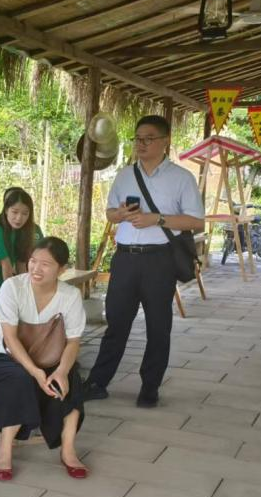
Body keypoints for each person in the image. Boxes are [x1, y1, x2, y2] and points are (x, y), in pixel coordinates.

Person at [84, 114, 204, 407]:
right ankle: (98, 382)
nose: (141, 144)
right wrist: (119, 214)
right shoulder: (125, 175)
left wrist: (157, 219)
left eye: (149, 138)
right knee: (116, 323)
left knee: (158, 326)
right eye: (138, 138)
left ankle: (150, 387)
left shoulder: (181, 178)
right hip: (125, 258)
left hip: (159, 260)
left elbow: (196, 221)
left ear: (165, 141)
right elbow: (110, 213)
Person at [0, 237, 87, 480]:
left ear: (61, 269)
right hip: (6, 357)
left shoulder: (70, 295)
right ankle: (4, 452)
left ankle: (68, 450)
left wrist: (61, 371)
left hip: (50, 357)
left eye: (46, 264)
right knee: (20, 378)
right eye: (33, 261)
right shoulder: (12, 287)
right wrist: (35, 371)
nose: (36, 268)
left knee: (72, 379)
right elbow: (10, 338)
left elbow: (73, 341)